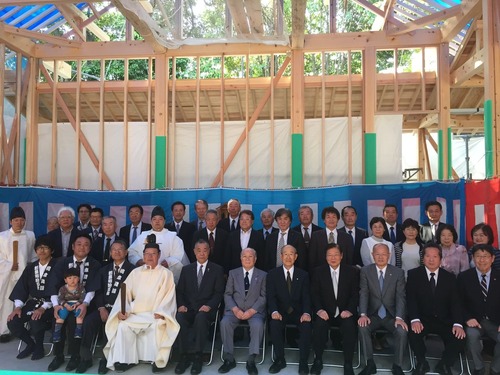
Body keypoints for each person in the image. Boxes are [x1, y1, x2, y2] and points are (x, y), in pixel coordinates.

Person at [103, 239, 179, 374]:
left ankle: (156, 360)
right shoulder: (135, 272)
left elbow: (169, 296)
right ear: (143, 256)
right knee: (122, 325)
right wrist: (123, 310)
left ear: (159, 255)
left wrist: (162, 312)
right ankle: (126, 360)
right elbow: (124, 292)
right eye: (147, 254)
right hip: (135, 313)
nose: (150, 257)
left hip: (155, 313)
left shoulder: (166, 273)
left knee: (158, 324)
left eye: (153, 254)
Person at [77, 239, 135, 374]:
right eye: (113, 249)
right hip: (103, 308)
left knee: (111, 326)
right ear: (110, 253)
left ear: (126, 252)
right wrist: (101, 308)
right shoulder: (104, 269)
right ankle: (85, 358)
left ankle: (105, 359)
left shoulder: (133, 270)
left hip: (121, 310)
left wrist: (123, 310)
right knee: (88, 322)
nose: (117, 252)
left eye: (120, 249)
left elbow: (135, 294)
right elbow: (98, 291)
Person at [406, 243, 465, 375]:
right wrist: (415, 319)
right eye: (428, 256)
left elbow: (455, 302)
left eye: (435, 256)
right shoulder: (414, 275)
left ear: (440, 258)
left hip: (444, 320)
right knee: (413, 333)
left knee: (459, 336)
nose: (431, 259)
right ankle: (421, 362)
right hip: (422, 319)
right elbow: (411, 299)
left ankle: (444, 364)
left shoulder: (449, 277)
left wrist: (458, 323)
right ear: (423, 258)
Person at [46, 233, 101, 372]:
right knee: (57, 319)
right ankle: (58, 356)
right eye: (79, 244)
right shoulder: (62, 262)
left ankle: (76, 356)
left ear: (90, 248)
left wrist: (84, 304)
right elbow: (53, 284)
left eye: (86, 244)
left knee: (77, 322)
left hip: (86, 303)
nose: (82, 247)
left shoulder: (94, 264)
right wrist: (56, 305)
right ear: (72, 246)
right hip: (63, 302)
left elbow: (93, 287)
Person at [175, 239, 225, 375]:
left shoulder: (217, 269)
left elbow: (219, 293)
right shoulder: (187, 269)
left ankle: (198, 356)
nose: (202, 253)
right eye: (199, 250)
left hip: (206, 310)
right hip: (189, 308)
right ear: (194, 252)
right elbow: (180, 291)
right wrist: (181, 305)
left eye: (205, 250)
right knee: (179, 317)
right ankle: (183, 356)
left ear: (209, 251)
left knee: (201, 317)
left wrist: (209, 306)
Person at [358, 243, 408, 375]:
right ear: (372, 255)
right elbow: (364, 293)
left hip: (391, 316)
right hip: (372, 315)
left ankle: (397, 365)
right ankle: (369, 363)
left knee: (401, 331)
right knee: (362, 327)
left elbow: (400, 297)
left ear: (389, 256)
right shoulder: (365, 271)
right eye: (377, 254)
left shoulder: (398, 272)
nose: (380, 257)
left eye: (384, 254)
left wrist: (399, 317)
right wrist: (363, 314)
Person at [310, 244, 359, 375]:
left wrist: (349, 310)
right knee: (319, 326)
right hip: (325, 312)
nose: (333, 258)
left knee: (350, 327)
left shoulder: (351, 271)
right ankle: (318, 360)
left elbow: (355, 295)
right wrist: (319, 310)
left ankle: (348, 363)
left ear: (341, 256)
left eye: (336, 254)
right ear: (325, 257)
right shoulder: (318, 271)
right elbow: (314, 294)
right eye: (329, 255)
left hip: (344, 312)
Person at [7, 235, 57, 360]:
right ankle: (31, 344)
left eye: (46, 247)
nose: (42, 250)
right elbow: (21, 288)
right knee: (13, 321)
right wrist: (18, 307)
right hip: (33, 302)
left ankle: (39, 347)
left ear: (52, 250)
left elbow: (60, 289)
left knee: (36, 319)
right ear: (35, 250)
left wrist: (44, 307)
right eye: (39, 248)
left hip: (51, 304)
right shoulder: (31, 267)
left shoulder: (58, 266)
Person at [218, 248, 267, 375]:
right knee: (224, 323)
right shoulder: (233, 273)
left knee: (258, 325)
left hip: (254, 311)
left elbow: (264, 296)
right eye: (244, 256)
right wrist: (234, 309)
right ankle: (229, 358)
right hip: (234, 310)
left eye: (250, 256)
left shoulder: (263, 275)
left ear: (255, 259)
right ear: (240, 258)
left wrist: (252, 310)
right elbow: (227, 294)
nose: (247, 259)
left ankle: (251, 359)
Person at [267, 245, 311, 375]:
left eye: (291, 254)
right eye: (285, 254)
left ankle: (303, 361)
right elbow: (271, 296)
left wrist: (306, 313)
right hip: (280, 312)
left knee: (307, 325)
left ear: (296, 257)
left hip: (298, 312)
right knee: (273, 325)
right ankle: (280, 359)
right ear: (281, 256)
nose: (288, 257)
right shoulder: (272, 274)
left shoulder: (303, 274)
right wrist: (274, 311)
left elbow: (306, 296)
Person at [457, 244, 500, 375]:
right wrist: (467, 318)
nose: (482, 260)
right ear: (473, 258)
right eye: (478, 257)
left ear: (492, 258)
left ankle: (495, 369)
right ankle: (479, 367)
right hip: (474, 321)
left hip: (496, 322)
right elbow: (458, 302)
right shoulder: (464, 277)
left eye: (485, 256)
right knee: (472, 335)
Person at [0, 206, 36, 343]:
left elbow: (33, 255)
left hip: (25, 275)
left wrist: (31, 269)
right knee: (7, 304)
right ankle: (5, 330)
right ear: (10, 221)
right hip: (7, 276)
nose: (19, 223)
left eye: (22, 220)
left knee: (25, 302)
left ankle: (24, 328)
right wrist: (9, 265)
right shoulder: (2, 237)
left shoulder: (30, 235)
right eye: (16, 220)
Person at [128, 205, 189, 283]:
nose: (157, 221)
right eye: (154, 219)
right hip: (146, 276)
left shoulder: (173, 237)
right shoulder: (143, 236)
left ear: (164, 221)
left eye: (160, 219)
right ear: (151, 221)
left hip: (165, 276)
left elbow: (178, 254)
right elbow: (132, 251)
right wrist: (138, 260)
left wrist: (168, 262)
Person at [308, 206, 354, 272]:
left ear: (338, 219)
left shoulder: (347, 237)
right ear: (324, 220)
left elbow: (349, 260)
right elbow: (312, 259)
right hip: (320, 273)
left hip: (342, 273)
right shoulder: (315, 236)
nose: (331, 220)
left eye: (334, 217)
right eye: (328, 217)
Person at [53, 267, 86, 343]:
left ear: (78, 279)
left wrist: (77, 304)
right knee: (61, 313)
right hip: (66, 304)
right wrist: (65, 305)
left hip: (77, 303)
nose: (72, 280)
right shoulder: (63, 288)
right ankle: (57, 332)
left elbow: (82, 297)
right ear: (65, 280)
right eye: (70, 278)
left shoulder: (81, 287)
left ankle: (78, 330)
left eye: (75, 277)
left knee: (80, 313)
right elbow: (60, 298)